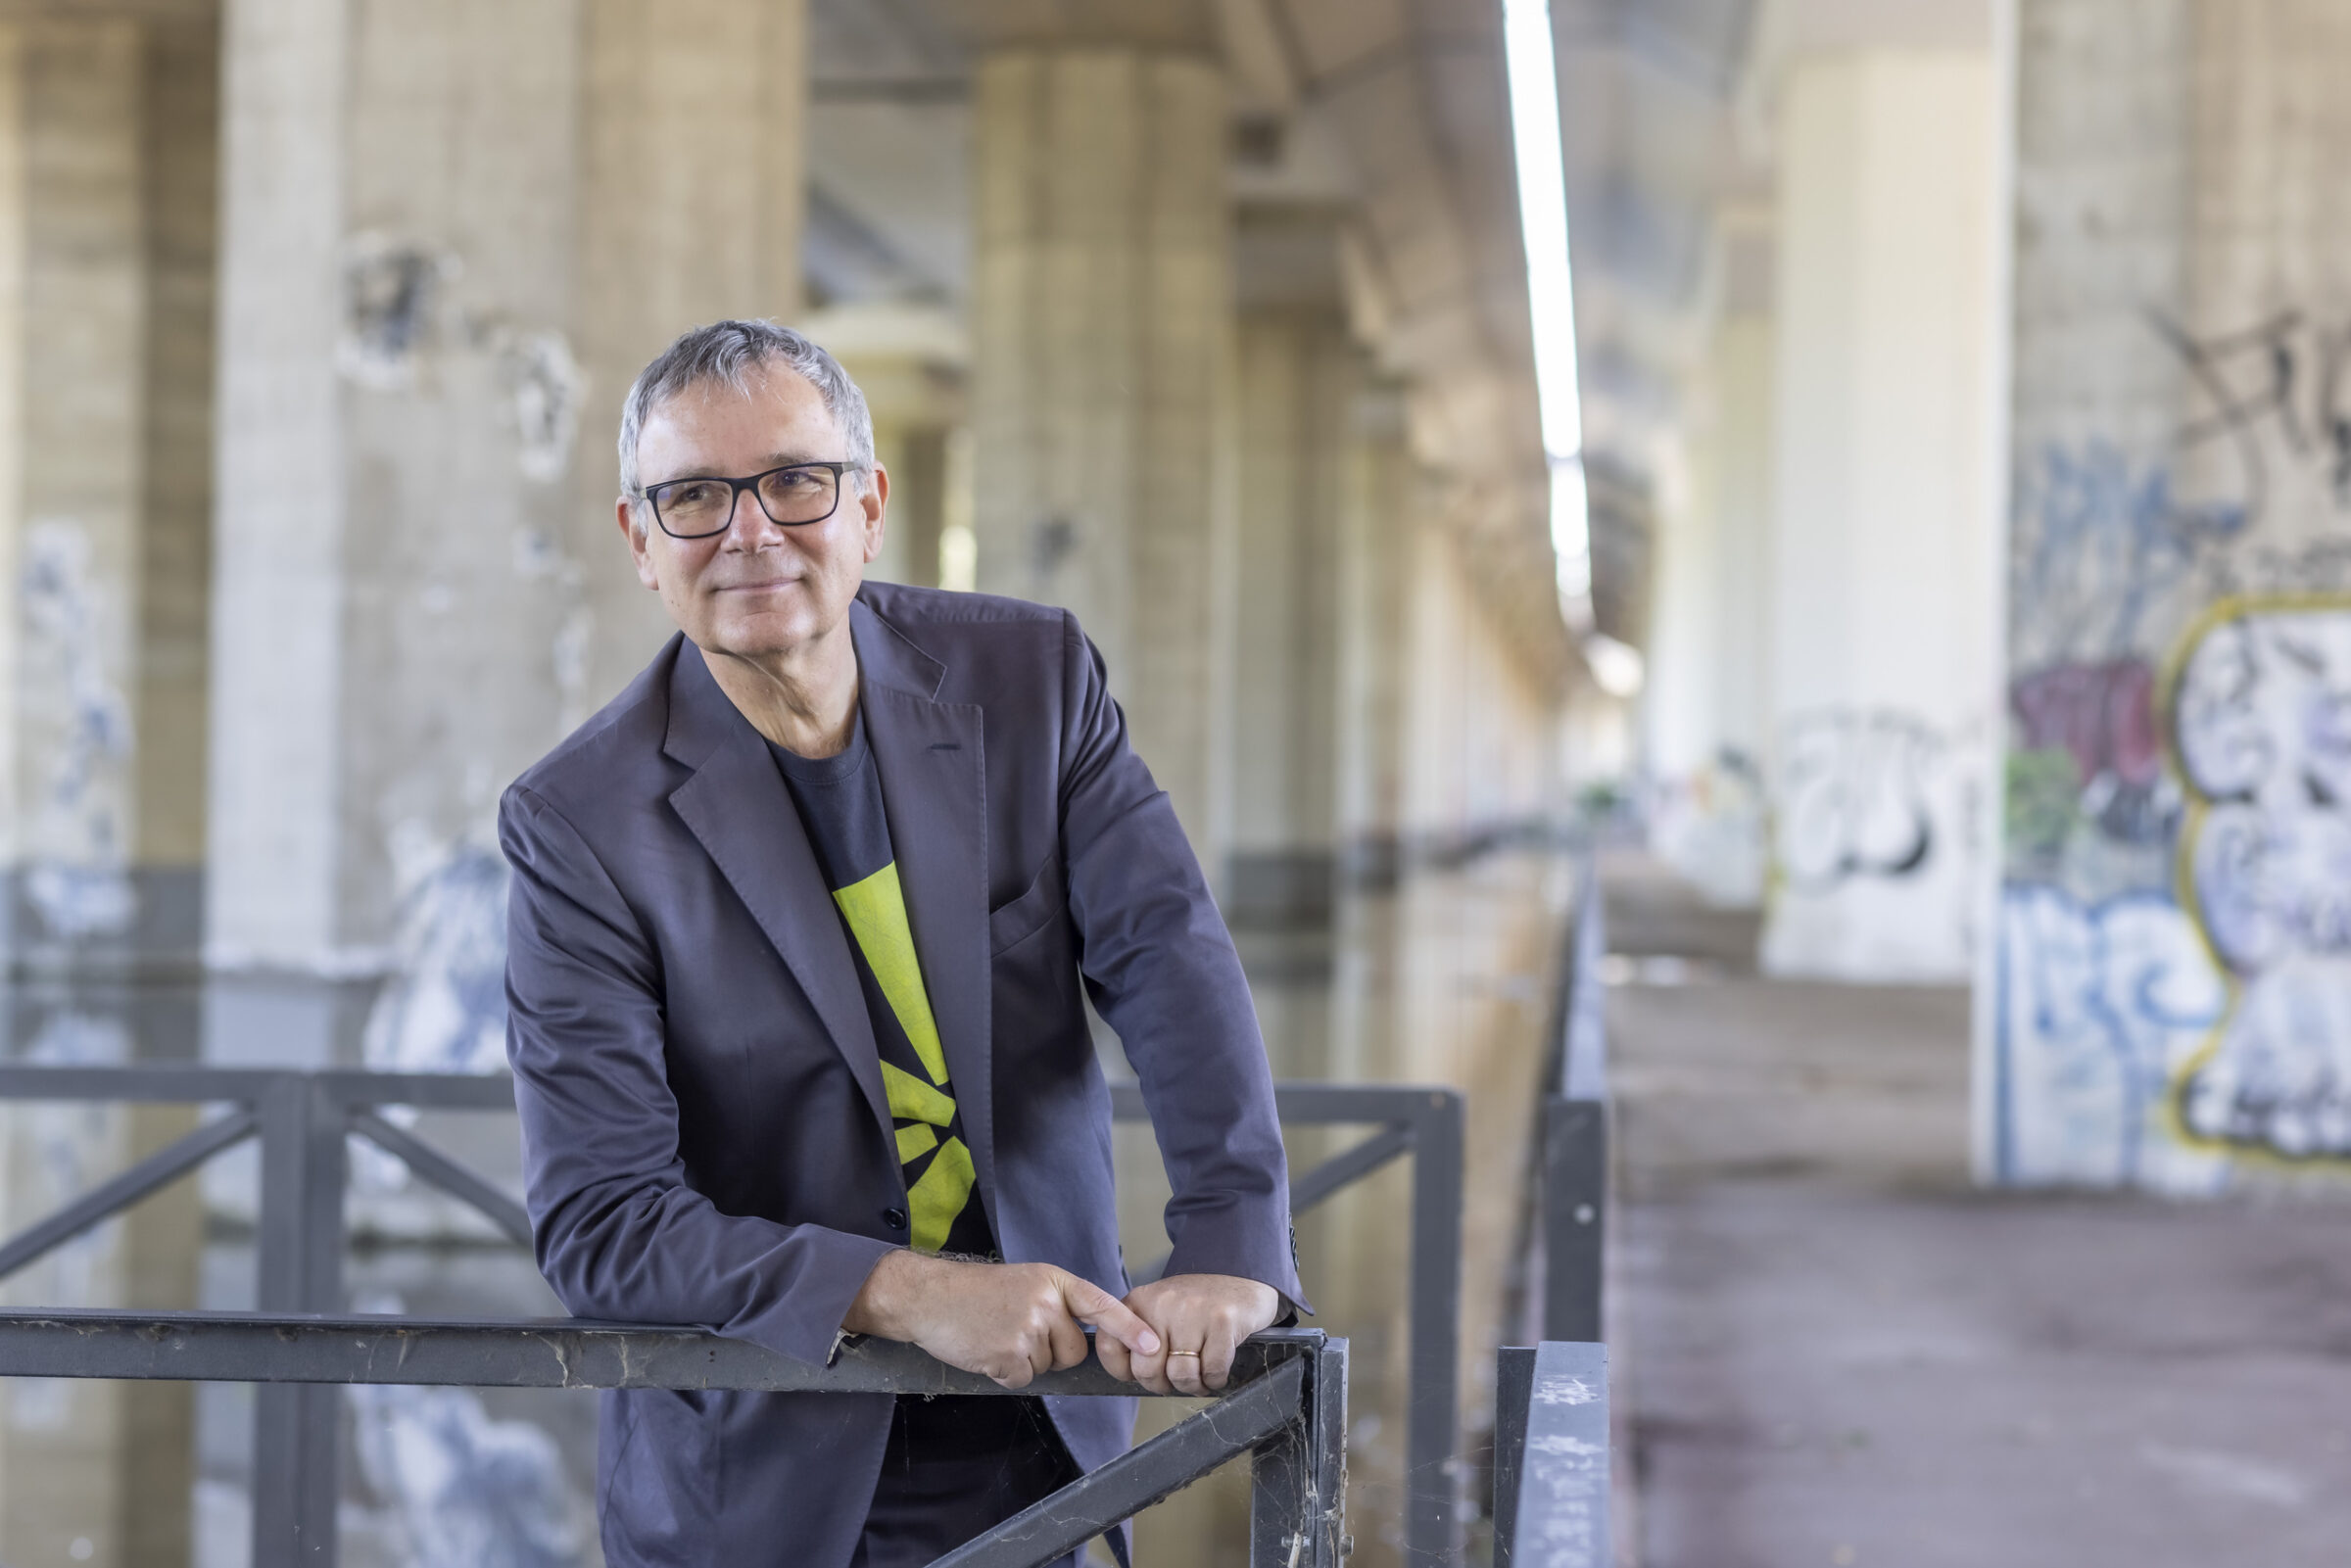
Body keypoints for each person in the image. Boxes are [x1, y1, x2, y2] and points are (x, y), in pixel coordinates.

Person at [501, 318, 1303, 1568]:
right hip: (768, 1472)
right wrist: (906, 1290)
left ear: (869, 505)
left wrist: (1230, 1242)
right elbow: (604, 1221)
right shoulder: (580, 824)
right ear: (639, 542)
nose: (751, 530)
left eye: (796, 480)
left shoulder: (1030, 681)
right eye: (695, 496)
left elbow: (1167, 956)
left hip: (1055, 1426)